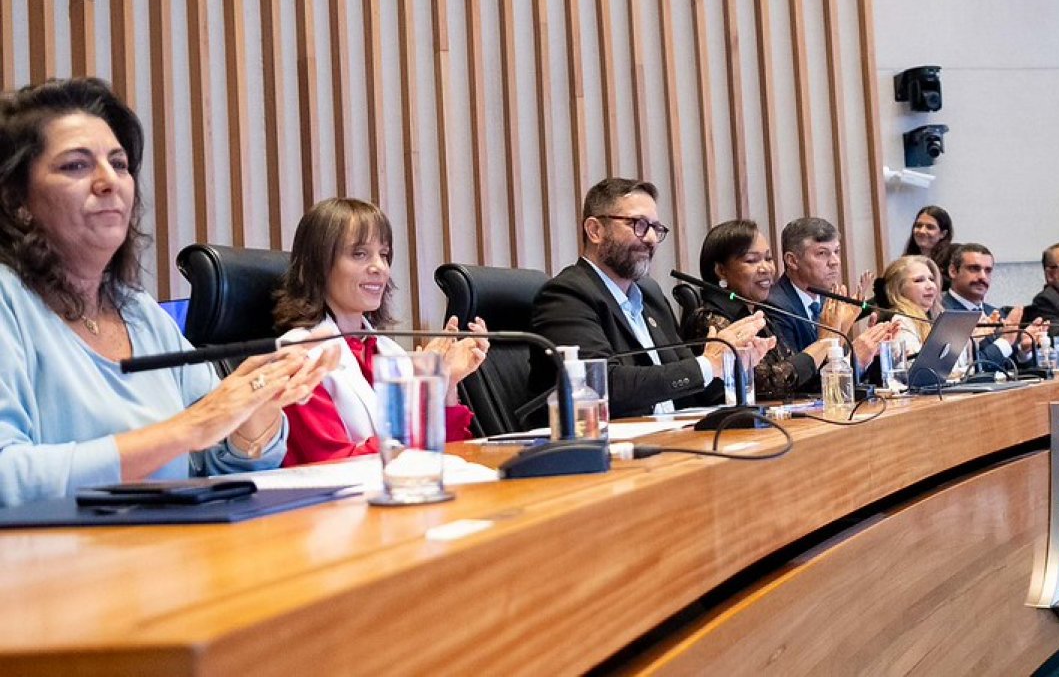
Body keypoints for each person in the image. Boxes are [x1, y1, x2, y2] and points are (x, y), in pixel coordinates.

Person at [0, 77, 337, 507]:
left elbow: (219, 466)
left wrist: (258, 406)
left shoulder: (137, 311)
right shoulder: (8, 301)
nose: (109, 182)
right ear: (16, 201)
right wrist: (187, 429)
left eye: (119, 164)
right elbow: (7, 477)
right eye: (76, 166)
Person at [274, 198, 490, 466]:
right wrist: (418, 397)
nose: (379, 267)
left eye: (384, 254)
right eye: (359, 254)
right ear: (317, 266)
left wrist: (446, 383)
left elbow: (450, 454)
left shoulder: (388, 350)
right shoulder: (298, 357)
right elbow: (333, 464)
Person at [531, 178, 771, 418]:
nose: (651, 239)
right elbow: (601, 387)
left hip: (673, 437)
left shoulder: (651, 297)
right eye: (639, 224)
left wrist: (733, 361)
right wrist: (708, 364)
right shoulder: (566, 295)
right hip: (612, 446)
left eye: (656, 228)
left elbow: (691, 388)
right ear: (595, 230)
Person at [682, 220, 895, 400]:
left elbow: (803, 381)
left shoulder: (756, 313)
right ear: (721, 270)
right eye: (751, 260)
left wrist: (847, 343)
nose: (766, 268)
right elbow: (775, 382)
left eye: (768, 258)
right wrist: (827, 341)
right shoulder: (711, 320)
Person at [766, 216, 874, 352]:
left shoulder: (828, 301)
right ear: (792, 261)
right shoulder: (775, 306)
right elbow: (794, 371)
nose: (835, 262)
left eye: (836, 251)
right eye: (822, 253)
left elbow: (840, 365)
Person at [942, 243, 1047, 371]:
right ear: (953, 271)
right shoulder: (941, 313)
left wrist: (1023, 351)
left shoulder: (994, 313)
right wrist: (1005, 342)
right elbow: (963, 370)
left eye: (988, 270)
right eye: (974, 269)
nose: (982, 276)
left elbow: (1010, 367)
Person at [882, 255, 944, 355]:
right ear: (898, 288)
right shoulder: (900, 321)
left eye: (931, 279)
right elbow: (912, 366)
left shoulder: (934, 317)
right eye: (919, 280)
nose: (930, 286)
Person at [902, 205, 955, 284]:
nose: (922, 231)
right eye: (918, 226)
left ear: (943, 234)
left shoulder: (953, 257)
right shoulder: (906, 261)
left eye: (930, 227)